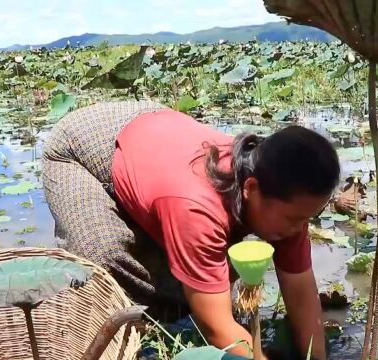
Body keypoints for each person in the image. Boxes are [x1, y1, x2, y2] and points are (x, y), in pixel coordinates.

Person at [42, 100, 340, 360]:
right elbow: (218, 330)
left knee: (196, 277)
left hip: (155, 139)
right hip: (84, 146)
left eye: (308, 218)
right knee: (104, 256)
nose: (299, 229)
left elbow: (301, 292)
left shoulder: (287, 199)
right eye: (295, 219)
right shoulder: (196, 204)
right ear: (251, 188)